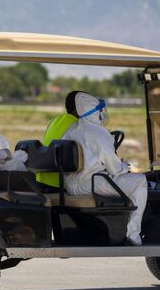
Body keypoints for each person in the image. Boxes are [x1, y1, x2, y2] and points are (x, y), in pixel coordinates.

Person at [62, 91, 147, 245]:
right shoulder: (99, 133)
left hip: (71, 186)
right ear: (96, 112)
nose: (102, 114)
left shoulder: (71, 131)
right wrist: (124, 166)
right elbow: (114, 168)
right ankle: (133, 234)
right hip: (91, 184)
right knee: (140, 181)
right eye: (100, 110)